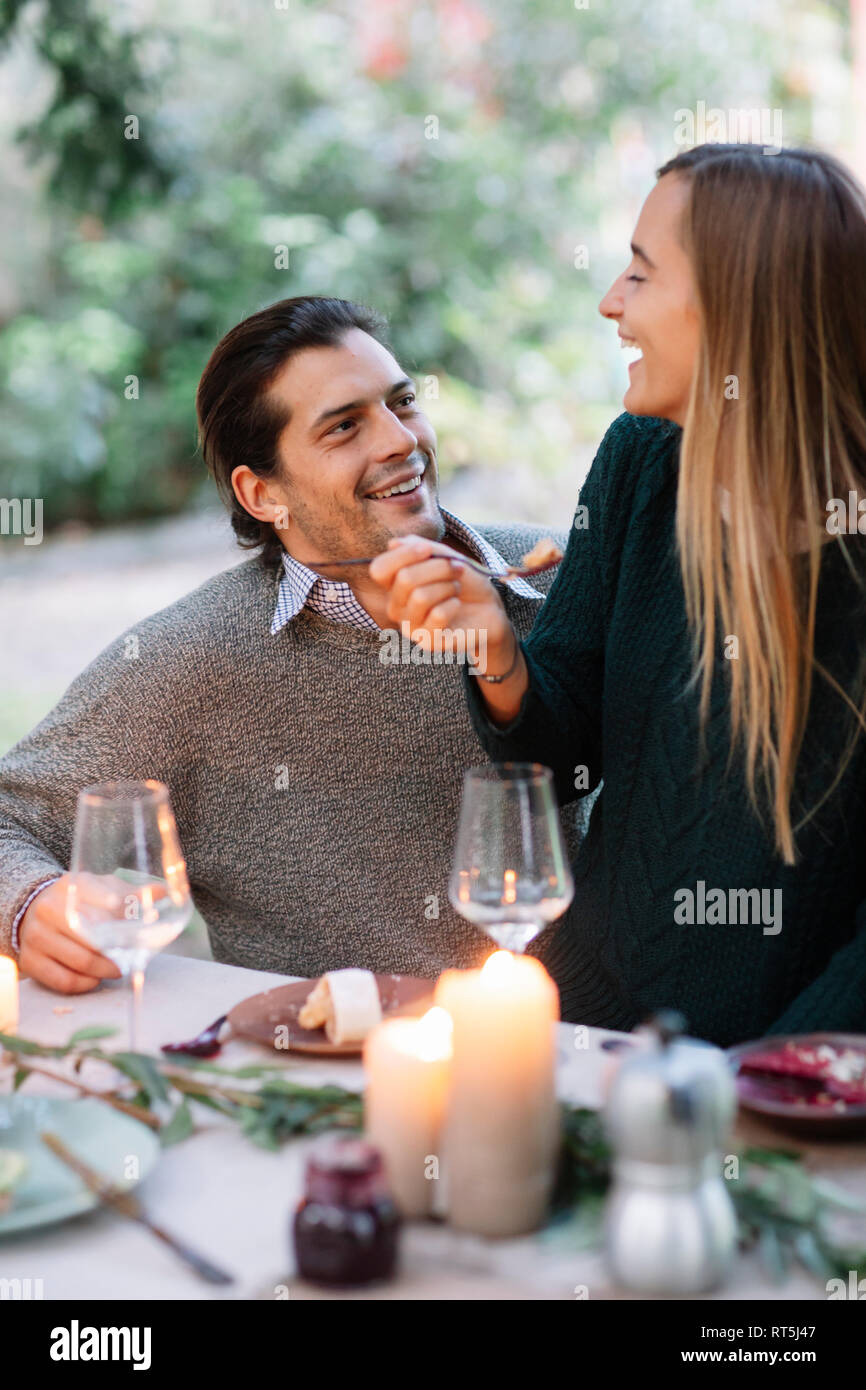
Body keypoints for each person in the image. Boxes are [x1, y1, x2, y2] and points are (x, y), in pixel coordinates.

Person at [371, 144, 866, 1047]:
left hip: (793, 1074)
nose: (610, 301)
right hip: (579, 1020)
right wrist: (501, 653)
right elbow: (565, 753)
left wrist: (766, 1086)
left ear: (742, 305)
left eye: (641, 273)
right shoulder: (640, 460)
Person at [0, 296, 577, 992]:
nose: (399, 440)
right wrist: (30, 906)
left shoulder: (558, 579)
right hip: (322, 1078)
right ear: (262, 493)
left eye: (402, 403)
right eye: (344, 427)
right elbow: (10, 818)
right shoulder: (190, 660)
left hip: (597, 1056)